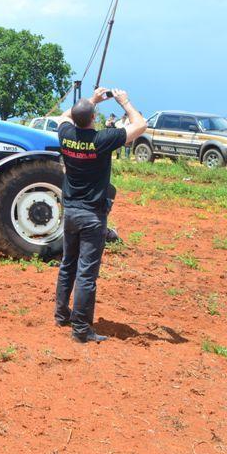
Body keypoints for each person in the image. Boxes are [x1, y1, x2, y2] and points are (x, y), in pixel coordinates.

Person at [54, 87, 147, 343]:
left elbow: (63, 117)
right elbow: (141, 125)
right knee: (86, 274)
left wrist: (91, 100)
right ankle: (81, 330)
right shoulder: (102, 140)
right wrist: (124, 101)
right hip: (92, 215)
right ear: (94, 119)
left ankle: (62, 315)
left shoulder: (65, 134)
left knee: (67, 264)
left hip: (70, 211)